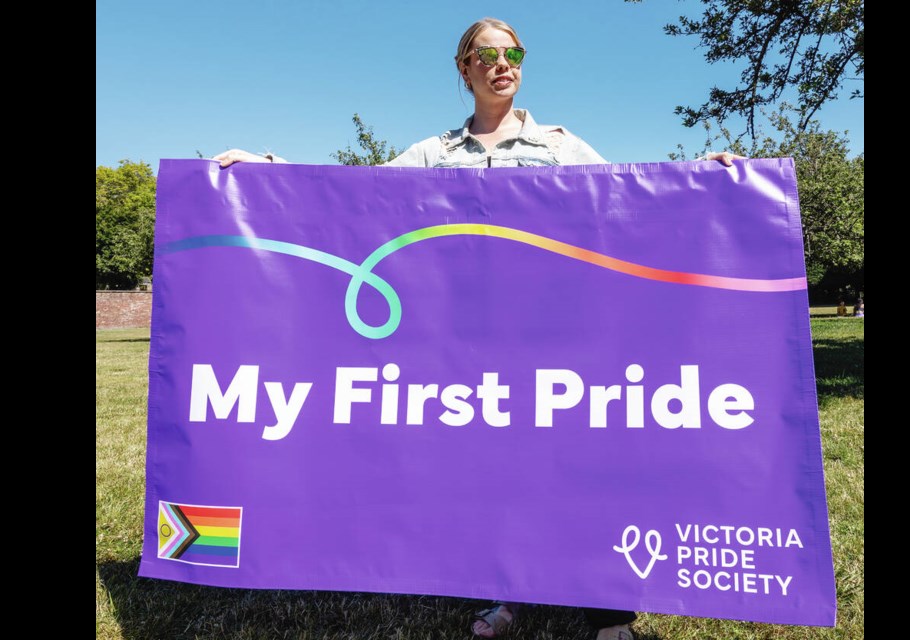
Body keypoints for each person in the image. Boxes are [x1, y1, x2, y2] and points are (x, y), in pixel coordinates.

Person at [213, 16, 743, 640]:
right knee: (494, 471)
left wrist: (703, 180)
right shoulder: (434, 155)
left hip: (555, 334)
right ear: (464, 68)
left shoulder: (562, 146)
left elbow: (634, 202)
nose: (503, 64)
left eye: (513, 52)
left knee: (579, 467)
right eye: (487, 55)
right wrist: (266, 168)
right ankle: (505, 594)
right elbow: (348, 197)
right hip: (470, 342)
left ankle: (610, 613)